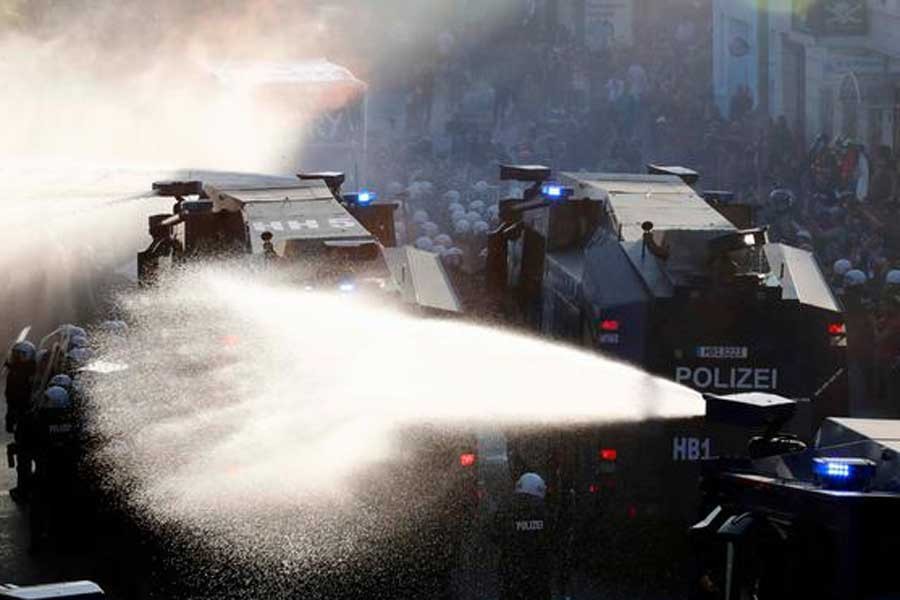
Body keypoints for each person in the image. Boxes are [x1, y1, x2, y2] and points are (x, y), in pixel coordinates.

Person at [493, 473, 553, 600]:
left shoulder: (507, 507)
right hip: (538, 574)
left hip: (511, 572)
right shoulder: (544, 509)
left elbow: (495, 533)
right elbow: (552, 536)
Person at [4, 341, 36, 434]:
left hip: (23, 398)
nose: (16, 357)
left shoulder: (30, 368)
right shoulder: (14, 366)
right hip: (12, 396)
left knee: (22, 417)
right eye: (15, 354)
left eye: (19, 354)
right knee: (11, 413)